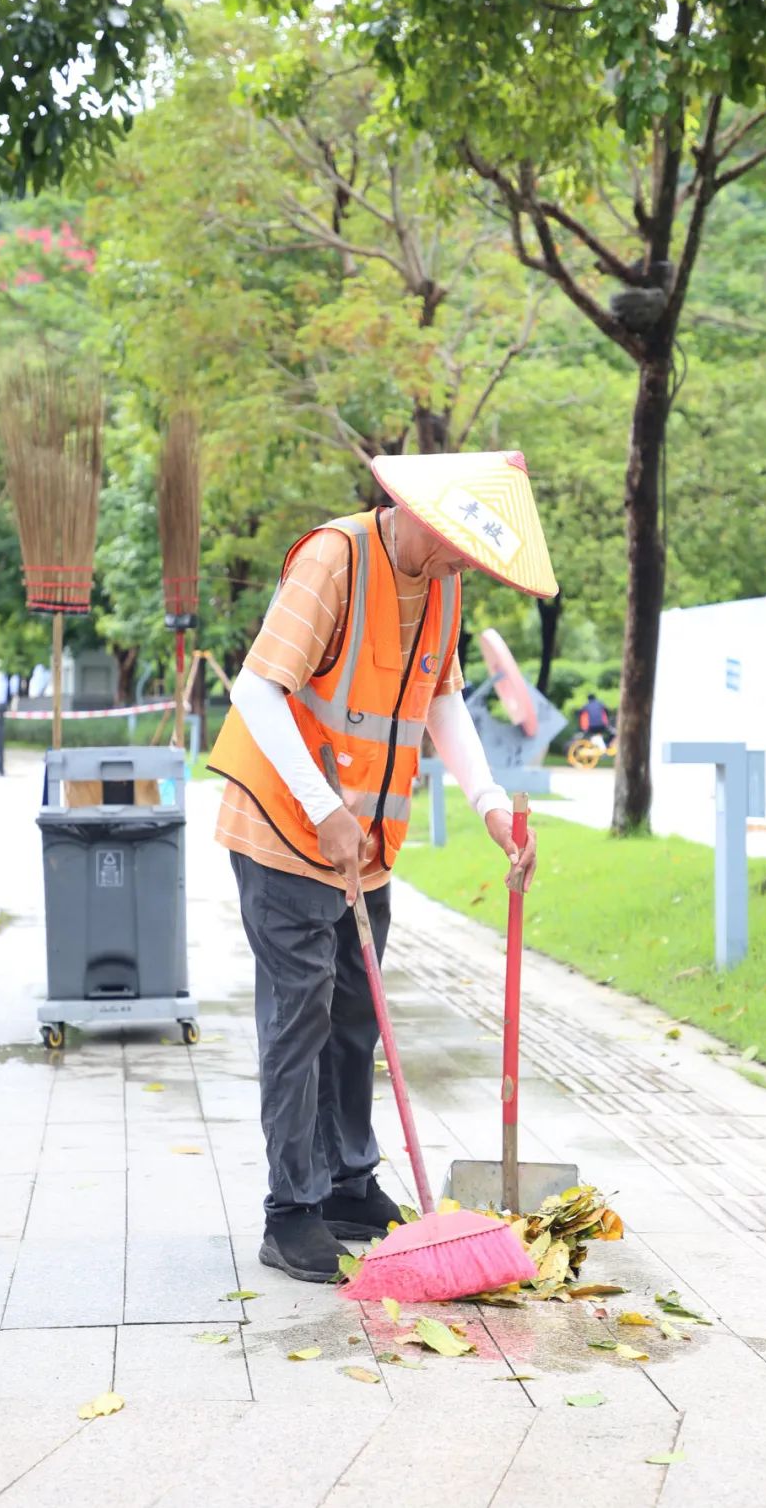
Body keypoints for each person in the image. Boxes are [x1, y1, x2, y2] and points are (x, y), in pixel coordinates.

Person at [208, 450, 558, 1283]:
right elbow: (257, 689)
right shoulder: (336, 557)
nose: (465, 568)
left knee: (355, 1016)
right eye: (462, 551)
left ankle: (348, 1187)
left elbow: (440, 698)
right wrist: (323, 808)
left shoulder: (441, 583)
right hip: (285, 827)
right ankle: (291, 1212)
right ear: (428, 519)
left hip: (362, 844)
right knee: (300, 1018)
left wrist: (490, 803)